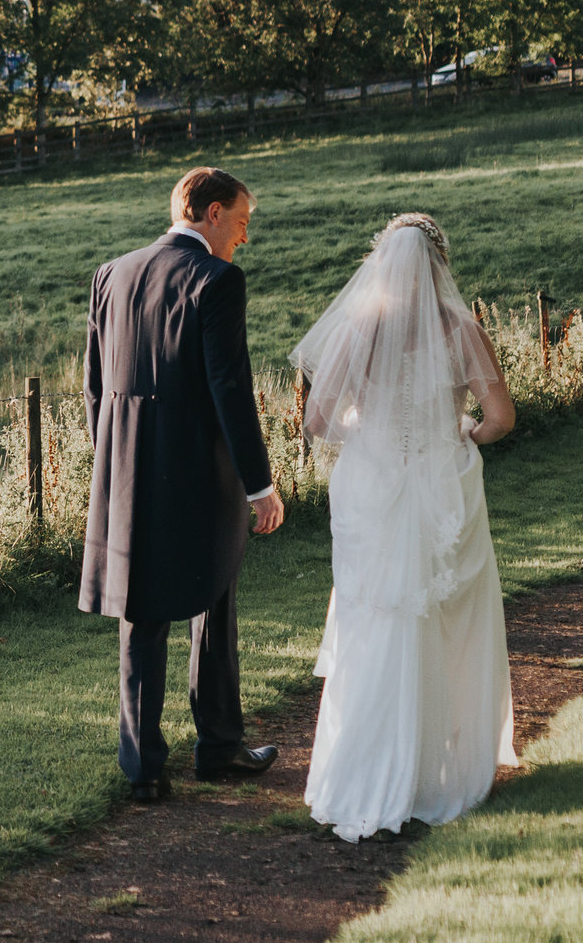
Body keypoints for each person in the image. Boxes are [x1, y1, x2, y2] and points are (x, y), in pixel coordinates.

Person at [293, 213, 517, 842]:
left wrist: (373, 438)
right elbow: (500, 417)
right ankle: (437, 772)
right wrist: (465, 432)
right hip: (441, 486)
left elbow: (317, 421)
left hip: (374, 489)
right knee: (446, 620)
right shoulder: (461, 329)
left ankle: (359, 771)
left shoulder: (361, 330)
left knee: (373, 621)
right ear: (440, 266)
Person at [80, 166, 284, 804]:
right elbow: (230, 387)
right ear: (214, 212)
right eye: (243, 224)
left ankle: (144, 770)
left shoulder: (112, 273)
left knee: (141, 615)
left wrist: (109, 459)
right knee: (213, 597)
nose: (243, 240)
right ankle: (219, 747)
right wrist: (260, 486)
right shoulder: (217, 280)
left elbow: (93, 385)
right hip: (198, 469)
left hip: (124, 472)